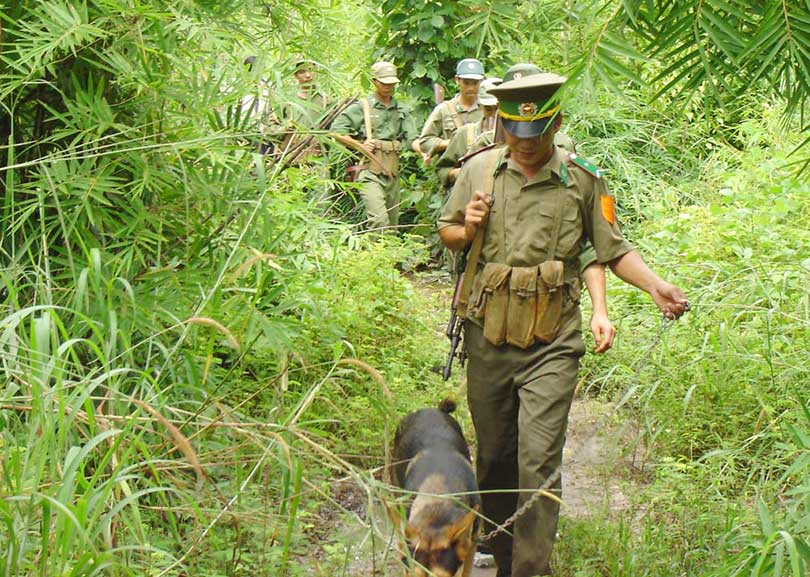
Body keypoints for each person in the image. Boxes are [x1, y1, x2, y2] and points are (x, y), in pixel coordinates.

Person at [437, 73, 688, 577]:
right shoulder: (478, 170)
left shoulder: (582, 179)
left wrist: (654, 284)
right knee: (495, 458)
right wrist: (471, 226)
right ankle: (502, 550)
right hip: (488, 335)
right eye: (517, 136)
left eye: (538, 136)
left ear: (556, 123)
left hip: (553, 340)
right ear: (505, 126)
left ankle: (530, 569)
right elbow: (448, 233)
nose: (526, 147)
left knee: (539, 462)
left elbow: (612, 249)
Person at [331, 61, 420, 231]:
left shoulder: (401, 110)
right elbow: (336, 131)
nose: (388, 86)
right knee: (379, 221)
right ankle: (371, 253)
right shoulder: (363, 107)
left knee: (392, 226)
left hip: (392, 173)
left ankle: (382, 257)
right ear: (374, 81)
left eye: (391, 83)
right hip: (369, 171)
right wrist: (359, 145)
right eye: (384, 82)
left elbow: (412, 138)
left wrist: (424, 150)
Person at [418, 58, 486, 161]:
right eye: (466, 83)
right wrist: (450, 143)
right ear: (457, 80)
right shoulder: (444, 110)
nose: (471, 88)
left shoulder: (488, 109)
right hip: (452, 170)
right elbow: (424, 142)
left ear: (482, 81)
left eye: (475, 83)